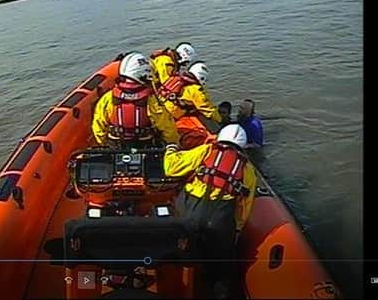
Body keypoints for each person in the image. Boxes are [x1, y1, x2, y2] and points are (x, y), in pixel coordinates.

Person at [163, 124, 257, 298]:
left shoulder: (206, 151)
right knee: (221, 267)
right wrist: (236, 229)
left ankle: (180, 285)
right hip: (221, 219)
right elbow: (244, 206)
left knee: (181, 251)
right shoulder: (248, 170)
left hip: (191, 211)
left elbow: (172, 168)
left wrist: (170, 149)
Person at [91, 52, 181, 149]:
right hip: (146, 148)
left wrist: (104, 144)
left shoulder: (108, 98)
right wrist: (173, 144)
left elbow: (98, 127)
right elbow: (167, 128)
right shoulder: (151, 101)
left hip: (115, 148)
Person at [154, 61, 222, 149]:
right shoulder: (195, 90)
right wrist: (220, 121)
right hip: (171, 117)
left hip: (160, 111)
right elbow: (208, 110)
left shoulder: (175, 78)